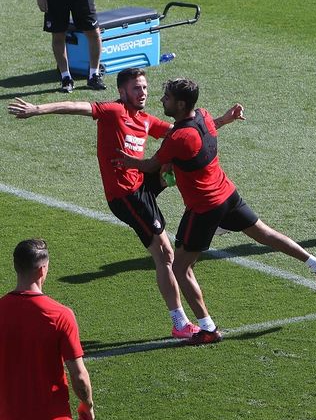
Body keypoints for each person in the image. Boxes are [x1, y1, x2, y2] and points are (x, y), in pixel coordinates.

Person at [7, 67, 244, 340]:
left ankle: (211, 216)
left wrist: (223, 120)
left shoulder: (143, 118)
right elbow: (76, 106)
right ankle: (179, 322)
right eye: (136, 88)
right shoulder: (113, 111)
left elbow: (191, 132)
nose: (142, 93)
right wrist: (38, 109)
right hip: (126, 196)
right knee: (165, 255)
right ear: (122, 92)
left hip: (141, 183)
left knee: (177, 154)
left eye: (144, 87)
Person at [116, 78, 316, 345]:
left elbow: (153, 165)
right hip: (227, 194)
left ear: (181, 103)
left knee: (180, 267)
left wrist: (129, 162)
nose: (162, 100)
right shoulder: (204, 118)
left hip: (204, 208)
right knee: (263, 233)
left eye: (167, 97)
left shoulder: (178, 137)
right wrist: (226, 118)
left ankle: (207, 328)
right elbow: (192, 145)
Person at [0, 239, 94, 420]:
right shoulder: (60, 315)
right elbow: (79, 376)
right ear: (43, 270)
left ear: (16, 266)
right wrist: (87, 405)